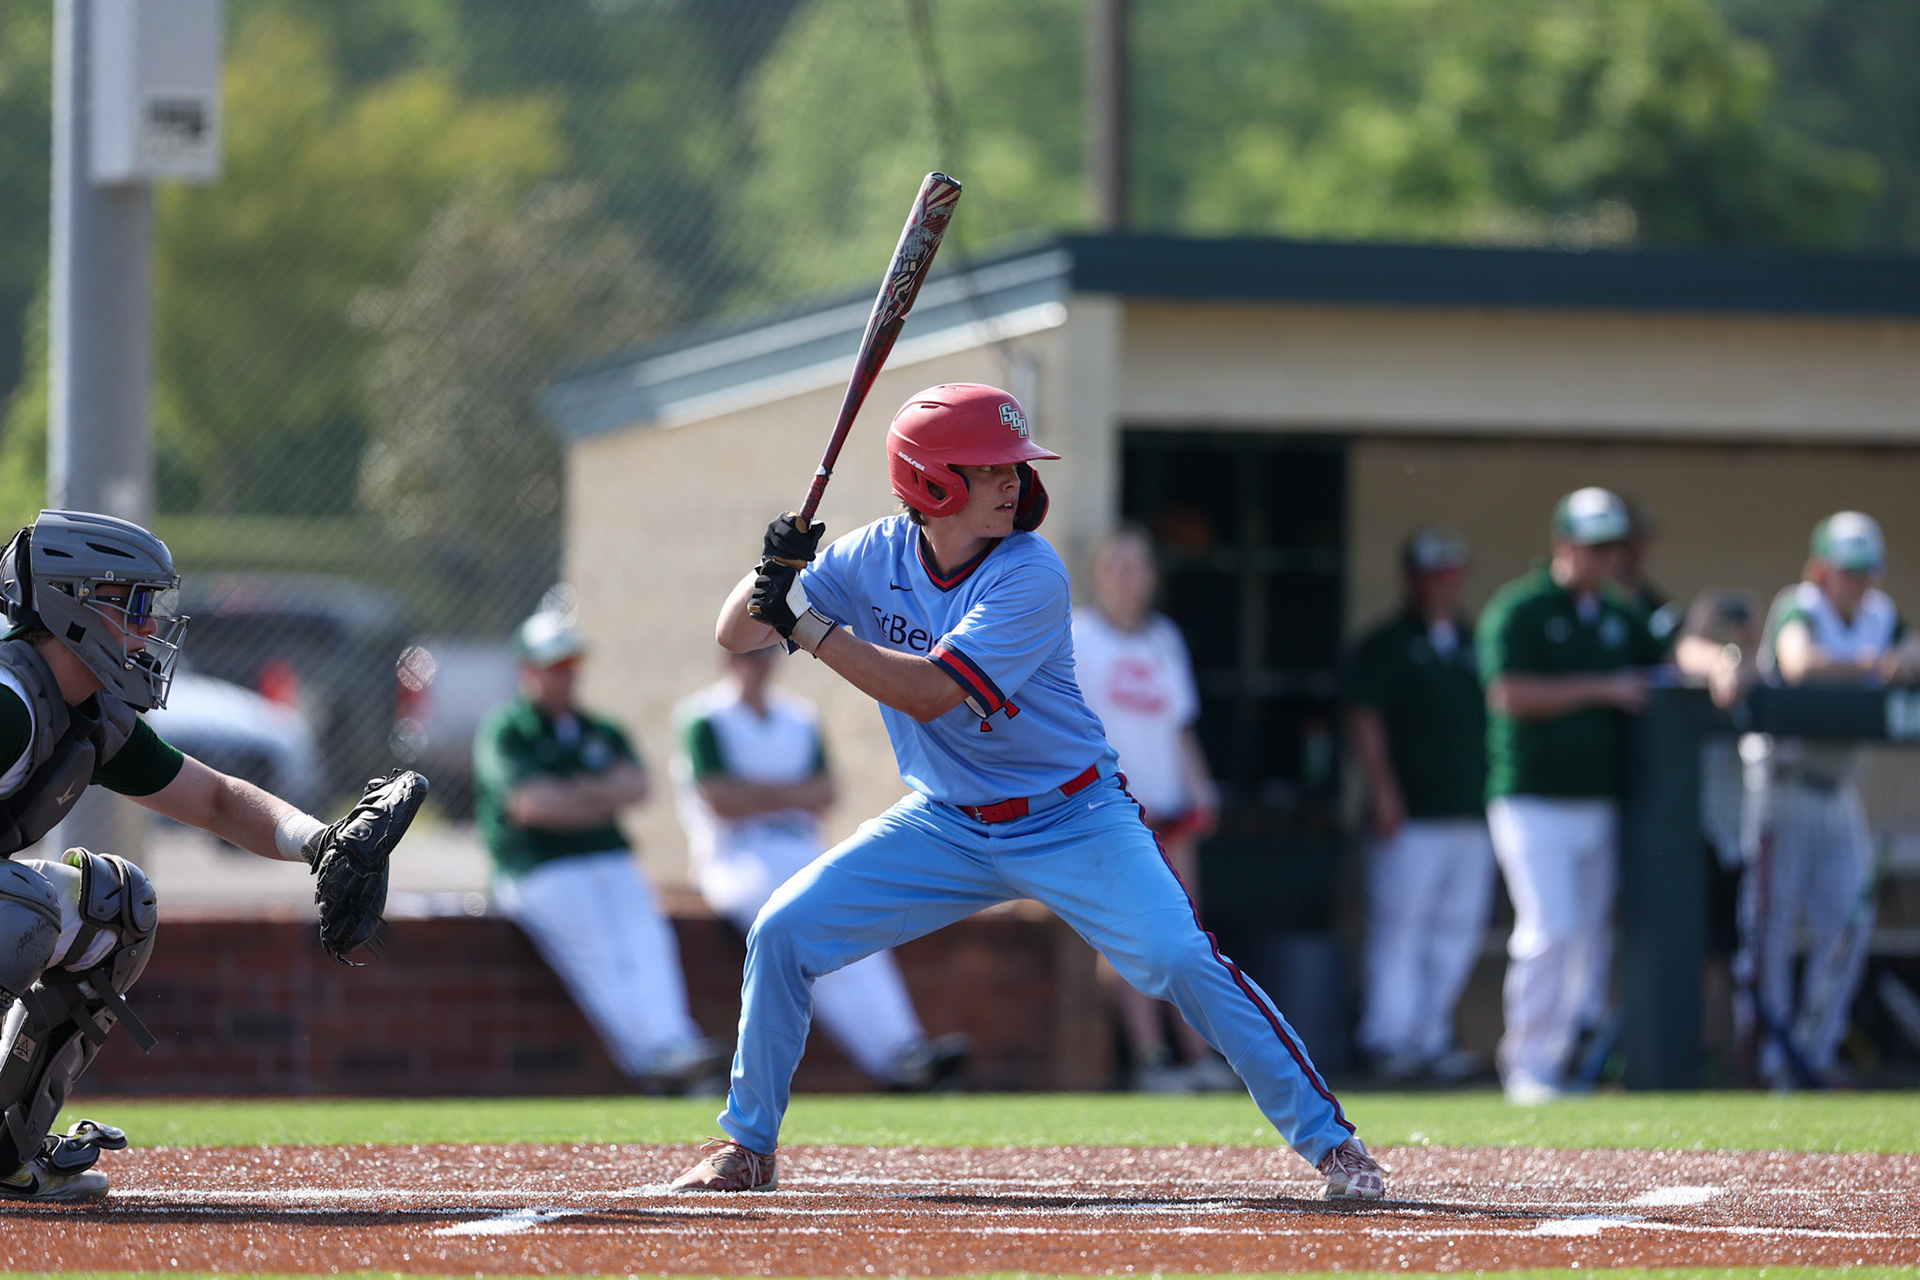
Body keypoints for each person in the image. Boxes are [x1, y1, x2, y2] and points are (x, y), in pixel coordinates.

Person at [671, 382, 1384, 1199]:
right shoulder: (870, 553)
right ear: (932, 481)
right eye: (991, 468)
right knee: (784, 932)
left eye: (1015, 465)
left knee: (1182, 958)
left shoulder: (1031, 573)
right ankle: (747, 1145)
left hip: (1072, 817)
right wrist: (776, 567)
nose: (1014, 480)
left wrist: (808, 623)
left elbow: (932, 693)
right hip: (946, 823)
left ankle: (1334, 1146)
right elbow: (738, 632)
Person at [0, 510, 424, 1202]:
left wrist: (323, 844)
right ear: (68, 603)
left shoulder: (81, 709)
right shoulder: (9, 703)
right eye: (132, 604)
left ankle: (7, 1148)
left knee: (116, 910)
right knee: (20, 910)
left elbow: (218, 801)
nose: (147, 626)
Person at [1477, 488, 1721, 1103]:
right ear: (1563, 546)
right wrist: (1601, 688)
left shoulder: (1618, 611)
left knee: (1586, 938)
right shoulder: (1521, 609)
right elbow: (1508, 692)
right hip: (1531, 800)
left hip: (1598, 801)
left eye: (1614, 547)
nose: (1608, 559)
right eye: (1595, 547)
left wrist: (1718, 660)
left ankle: (1561, 1062)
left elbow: (1668, 650)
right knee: (1550, 928)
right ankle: (1528, 1065)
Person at [672, 645, 970, 1091]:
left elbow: (825, 793)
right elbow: (722, 801)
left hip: (801, 846)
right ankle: (889, 1058)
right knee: (807, 934)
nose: (758, 664)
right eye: (748, 655)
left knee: (861, 929)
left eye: (766, 653)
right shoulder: (704, 716)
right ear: (729, 660)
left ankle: (907, 1047)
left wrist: (758, 794)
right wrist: (790, 794)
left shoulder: (799, 716)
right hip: (737, 857)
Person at [474, 605, 727, 1095]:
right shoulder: (507, 728)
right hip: (537, 867)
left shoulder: (599, 727)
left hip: (606, 857)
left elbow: (636, 787)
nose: (564, 677)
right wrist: (596, 794)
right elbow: (530, 805)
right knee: (601, 954)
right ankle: (655, 1058)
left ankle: (676, 1047)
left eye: (570, 666)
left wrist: (567, 792)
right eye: (552, 667)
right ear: (526, 671)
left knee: (647, 943)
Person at [1739, 512, 1920, 1088]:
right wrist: (1876, 667)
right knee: (1770, 927)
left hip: (1839, 793)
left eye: (1867, 571)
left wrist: (1907, 659)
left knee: (1848, 922)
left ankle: (1813, 1052)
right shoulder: (1801, 604)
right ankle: (1771, 1057)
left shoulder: (1880, 615)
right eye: (1846, 571)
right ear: (1821, 571)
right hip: (1779, 787)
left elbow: (1910, 651)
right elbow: (1799, 664)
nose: (1858, 582)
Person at [1070, 525, 1231, 1093]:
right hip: (1109, 811)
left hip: (1168, 809)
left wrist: (1201, 791)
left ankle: (1196, 1055)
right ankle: (1150, 1058)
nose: (1126, 578)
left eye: (1137, 566)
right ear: (1096, 575)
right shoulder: (1077, 636)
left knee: (1186, 933)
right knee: (1126, 935)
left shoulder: (1164, 638)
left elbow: (1179, 726)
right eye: (1115, 566)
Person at [1341, 527, 1493, 1084]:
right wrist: (1384, 790)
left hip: (1470, 810)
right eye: (1435, 578)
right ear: (1412, 580)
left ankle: (1431, 1035)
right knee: (1399, 925)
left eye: (1453, 578)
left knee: (1458, 925)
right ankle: (1389, 1036)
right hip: (1409, 814)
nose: (1446, 589)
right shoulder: (1387, 644)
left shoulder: (1475, 642)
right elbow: (1364, 717)